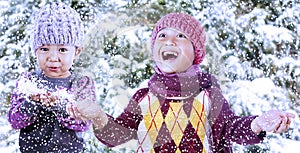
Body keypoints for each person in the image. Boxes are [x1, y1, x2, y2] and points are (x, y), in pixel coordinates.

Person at [68, 12, 295, 153]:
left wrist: (259, 123)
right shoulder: (143, 98)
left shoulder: (208, 96)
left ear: (195, 52)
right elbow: (117, 135)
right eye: (162, 36)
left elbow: (232, 130)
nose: (170, 41)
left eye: (180, 36)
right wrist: (97, 115)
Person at [7, 2, 96, 153]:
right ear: (35, 50)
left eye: (62, 49)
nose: (53, 57)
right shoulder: (28, 82)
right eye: (44, 49)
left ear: (77, 51)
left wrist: (60, 106)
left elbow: (83, 123)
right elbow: (15, 120)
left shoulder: (81, 84)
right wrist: (32, 103)